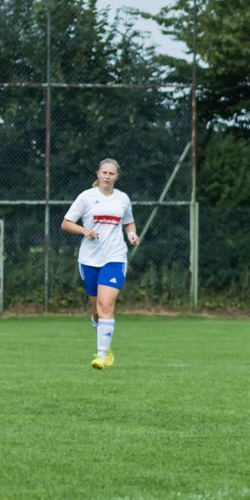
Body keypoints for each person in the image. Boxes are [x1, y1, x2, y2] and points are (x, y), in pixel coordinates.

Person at [61, 158, 140, 370]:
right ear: (98, 174)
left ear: (117, 177)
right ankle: (103, 342)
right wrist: (84, 230)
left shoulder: (122, 199)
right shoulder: (86, 197)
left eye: (111, 173)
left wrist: (131, 234)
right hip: (89, 259)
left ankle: (102, 356)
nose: (107, 176)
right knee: (96, 309)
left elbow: (128, 222)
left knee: (106, 304)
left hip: (115, 257)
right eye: (104, 172)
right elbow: (66, 223)